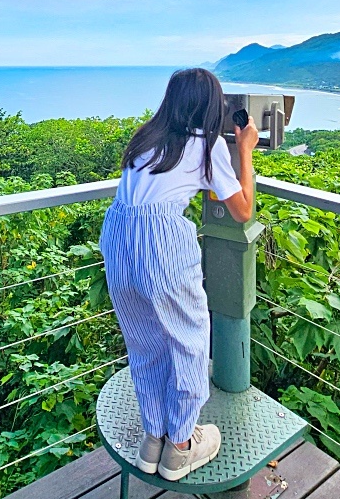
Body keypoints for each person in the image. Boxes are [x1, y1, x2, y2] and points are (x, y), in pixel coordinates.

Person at [100, 68, 258, 481]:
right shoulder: (205, 147)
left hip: (118, 235)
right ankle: (181, 447)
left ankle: (154, 437)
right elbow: (243, 211)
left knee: (144, 339)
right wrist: (245, 149)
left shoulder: (146, 138)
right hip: (161, 240)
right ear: (210, 106)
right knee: (188, 337)